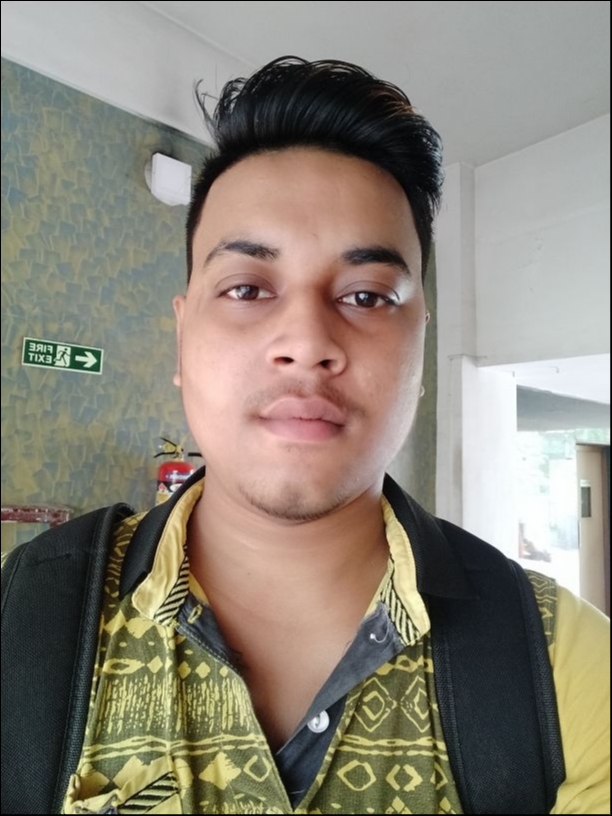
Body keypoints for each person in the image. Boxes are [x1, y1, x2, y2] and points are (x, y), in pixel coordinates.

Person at [2, 57, 609, 815]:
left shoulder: (562, 662)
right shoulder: (23, 618)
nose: (306, 342)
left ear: (420, 349)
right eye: (247, 288)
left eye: (366, 296)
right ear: (183, 339)